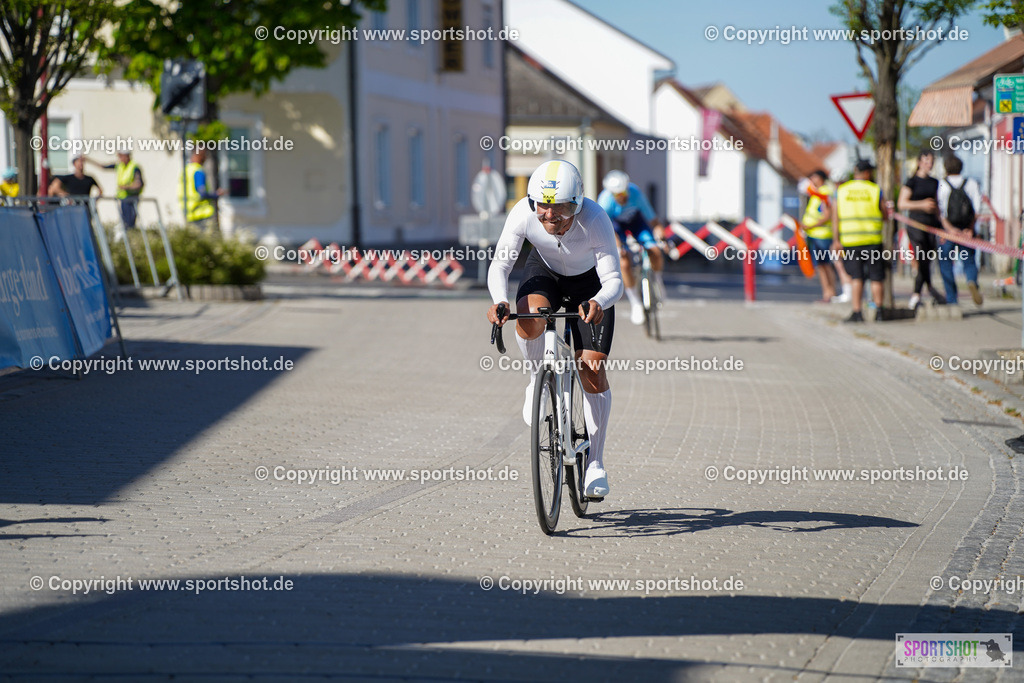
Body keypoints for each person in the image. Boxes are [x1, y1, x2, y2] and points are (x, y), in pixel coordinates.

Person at [487, 160, 623, 498]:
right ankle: (537, 378)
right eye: (543, 208)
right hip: (544, 272)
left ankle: (596, 462)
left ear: (576, 204)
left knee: (591, 368)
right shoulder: (522, 213)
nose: (550, 217)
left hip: (590, 284)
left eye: (560, 210)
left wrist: (599, 302)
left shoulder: (595, 220)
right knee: (529, 315)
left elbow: (614, 281)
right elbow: (501, 264)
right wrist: (499, 300)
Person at [597, 170, 665, 325]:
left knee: (655, 250)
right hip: (615, 228)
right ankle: (635, 303)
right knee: (624, 262)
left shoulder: (635, 193)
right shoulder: (605, 201)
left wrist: (659, 232)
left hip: (636, 223)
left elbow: (652, 218)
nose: (622, 197)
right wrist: (619, 248)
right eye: (617, 194)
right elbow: (607, 230)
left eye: (623, 192)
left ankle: (658, 280)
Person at [833, 159, 886, 323]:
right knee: (876, 277)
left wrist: (836, 240)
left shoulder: (841, 191)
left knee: (857, 277)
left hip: (851, 241)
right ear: (867, 173)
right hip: (872, 240)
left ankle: (857, 312)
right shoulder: (875, 189)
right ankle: (879, 312)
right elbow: (885, 213)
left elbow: (835, 217)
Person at [897, 150, 946, 309]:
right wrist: (921, 204)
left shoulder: (934, 182)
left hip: (931, 225)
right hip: (916, 224)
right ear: (919, 162)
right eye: (925, 161)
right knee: (921, 258)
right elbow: (902, 204)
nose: (928, 164)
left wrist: (942, 226)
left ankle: (929, 289)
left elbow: (937, 205)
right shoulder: (911, 182)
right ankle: (917, 294)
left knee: (928, 259)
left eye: (931, 161)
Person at [937, 154, 983, 306]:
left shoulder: (942, 185)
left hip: (949, 231)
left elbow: (941, 211)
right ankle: (971, 281)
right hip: (966, 230)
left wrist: (949, 230)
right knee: (969, 261)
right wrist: (969, 229)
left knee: (945, 262)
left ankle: (951, 298)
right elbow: (976, 210)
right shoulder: (971, 183)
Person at [800, 169, 852, 303]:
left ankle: (831, 293)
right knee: (821, 266)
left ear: (821, 179)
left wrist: (809, 226)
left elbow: (827, 215)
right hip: (815, 235)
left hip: (822, 235)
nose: (812, 180)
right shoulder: (817, 193)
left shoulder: (824, 193)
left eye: (814, 177)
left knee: (827, 265)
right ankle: (827, 294)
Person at [86, 148, 143, 228]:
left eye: (121, 156)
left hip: (131, 198)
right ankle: (127, 236)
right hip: (123, 198)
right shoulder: (119, 166)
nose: (120, 159)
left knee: (130, 223)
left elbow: (138, 183)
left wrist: (127, 187)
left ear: (127, 156)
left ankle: (131, 236)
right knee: (125, 222)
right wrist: (88, 160)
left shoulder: (134, 167)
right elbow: (103, 166)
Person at [180, 149, 224, 231]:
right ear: (200, 156)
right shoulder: (198, 171)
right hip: (201, 213)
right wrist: (216, 195)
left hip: (189, 213)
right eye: (205, 155)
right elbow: (202, 193)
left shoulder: (186, 170)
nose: (206, 158)